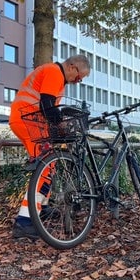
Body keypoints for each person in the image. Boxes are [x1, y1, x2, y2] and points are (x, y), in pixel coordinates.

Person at [9, 54, 91, 239]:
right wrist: (62, 125)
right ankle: (25, 221)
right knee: (45, 169)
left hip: (29, 122)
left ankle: (42, 208)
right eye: (79, 77)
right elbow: (47, 105)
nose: (78, 82)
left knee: (49, 165)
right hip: (30, 123)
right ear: (71, 67)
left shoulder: (52, 73)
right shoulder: (54, 73)